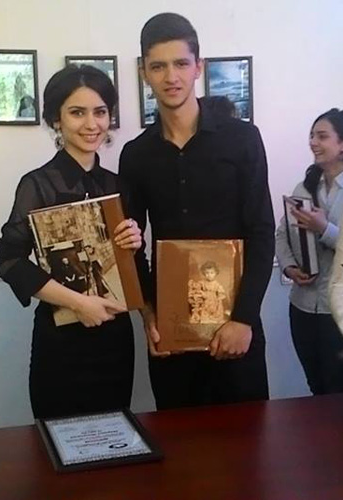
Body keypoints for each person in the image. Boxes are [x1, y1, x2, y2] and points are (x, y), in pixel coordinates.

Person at [119, 13, 275, 409]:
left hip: (235, 326)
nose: (171, 76)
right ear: (143, 73)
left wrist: (244, 319)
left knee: (247, 439)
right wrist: (148, 316)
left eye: (181, 63)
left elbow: (261, 231)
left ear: (198, 67)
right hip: (170, 331)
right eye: (158, 66)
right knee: (177, 440)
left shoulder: (243, 139)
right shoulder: (136, 155)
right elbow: (131, 246)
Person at [0, 65, 142, 418]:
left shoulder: (119, 185)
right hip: (60, 341)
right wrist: (78, 303)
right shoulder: (37, 185)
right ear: (56, 120)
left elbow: (131, 266)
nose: (91, 124)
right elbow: (8, 259)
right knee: (58, 438)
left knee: (114, 432)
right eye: (77, 112)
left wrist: (134, 242)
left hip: (115, 339)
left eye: (100, 112)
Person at [276, 108, 343, 395]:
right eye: (312, 136)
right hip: (303, 307)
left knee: (337, 390)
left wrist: (324, 228)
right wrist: (289, 267)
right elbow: (282, 233)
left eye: (322, 136)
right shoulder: (303, 187)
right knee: (316, 387)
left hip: (337, 311)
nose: (313, 142)